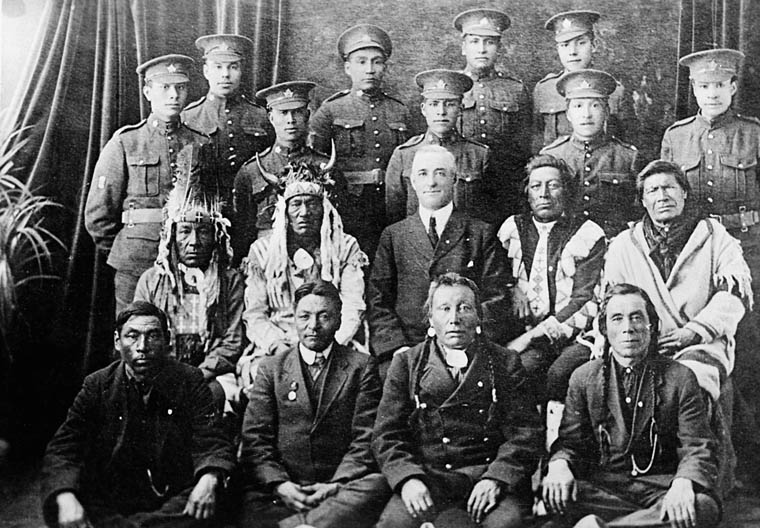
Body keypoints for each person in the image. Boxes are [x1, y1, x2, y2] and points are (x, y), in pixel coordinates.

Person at [603, 159, 752, 495]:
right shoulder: (625, 245)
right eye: (653, 190)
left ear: (684, 193)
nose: (662, 196)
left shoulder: (715, 236)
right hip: (643, 341)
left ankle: (702, 480)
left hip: (702, 341)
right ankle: (638, 474)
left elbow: (734, 295)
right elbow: (613, 301)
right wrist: (645, 339)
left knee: (691, 380)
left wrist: (695, 330)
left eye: (669, 187)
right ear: (642, 200)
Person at [660, 47, 760, 491]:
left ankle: (751, 467)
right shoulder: (677, 137)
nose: (712, 93)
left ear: (734, 87)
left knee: (749, 358)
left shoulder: (753, 135)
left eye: (720, 85)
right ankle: (712, 467)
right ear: (694, 90)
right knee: (705, 355)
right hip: (698, 256)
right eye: (703, 86)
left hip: (750, 251)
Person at [40, 302, 235, 528]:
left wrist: (209, 478)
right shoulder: (98, 384)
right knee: (67, 503)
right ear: (117, 341)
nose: (142, 346)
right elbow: (65, 447)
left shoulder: (190, 380)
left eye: (153, 336)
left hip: (172, 497)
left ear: (167, 340)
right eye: (132, 336)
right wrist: (65, 495)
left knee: (212, 495)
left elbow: (211, 439)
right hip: (114, 498)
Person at [540, 284, 721, 528]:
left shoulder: (681, 377)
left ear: (651, 326)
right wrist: (560, 464)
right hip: (604, 490)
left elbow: (697, 446)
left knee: (702, 507)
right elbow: (571, 443)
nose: (628, 328)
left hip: (661, 489)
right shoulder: (584, 377)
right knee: (556, 494)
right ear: (604, 328)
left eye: (637, 317)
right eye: (617, 319)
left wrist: (683, 482)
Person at [372, 272, 543, 528]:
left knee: (507, 525)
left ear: (478, 317)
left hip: (488, 478)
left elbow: (525, 433)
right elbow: (387, 435)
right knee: (392, 524)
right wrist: (408, 479)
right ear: (431, 317)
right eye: (444, 309)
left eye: (464, 308)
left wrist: (496, 479)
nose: (454, 319)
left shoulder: (505, 362)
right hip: (429, 479)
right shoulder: (406, 364)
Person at [239, 280, 389, 528]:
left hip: (338, 487)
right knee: (244, 496)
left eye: (324, 317)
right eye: (304, 316)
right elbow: (255, 439)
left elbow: (366, 436)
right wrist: (280, 485)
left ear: (339, 320)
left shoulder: (361, 367)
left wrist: (335, 485)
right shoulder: (271, 368)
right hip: (283, 490)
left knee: (376, 485)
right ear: (294, 319)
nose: (313, 326)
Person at [369, 145, 510, 376]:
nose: (431, 182)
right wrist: (397, 347)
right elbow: (378, 300)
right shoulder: (394, 236)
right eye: (423, 174)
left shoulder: (480, 233)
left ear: (454, 180)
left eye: (440, 173)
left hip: (467, 347)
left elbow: (497, 297)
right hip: (408, 347)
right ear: (413, 182)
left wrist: (465, 341)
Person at [85, 55, 209, 314]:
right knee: (136, 334)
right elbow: (98, 216)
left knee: (184, 337)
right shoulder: (126, 142)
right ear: (147, 92)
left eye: (180, 87)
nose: (173, 95)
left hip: (188, 261)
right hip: (137, 263)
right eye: (165, 87)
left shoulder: (201, 144)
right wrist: (129, 249)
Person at [238, 158, 367, 393]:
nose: (304, 212)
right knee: (262, 376)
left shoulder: (345, 247)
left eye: (312, 204)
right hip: (280, 342)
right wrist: (277, 346)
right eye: (296, 204)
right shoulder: (263, 252)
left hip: (333, 340)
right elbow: (255, 314)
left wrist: (331, 345)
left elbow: (352, 306)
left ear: (324, 208)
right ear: (284, 211)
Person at [498, 154, 605, 404]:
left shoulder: (587, 234)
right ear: (527, 193)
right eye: (536, 186)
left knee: (556, 375)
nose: (544, 193)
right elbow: (497, 275)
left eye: (553, 185)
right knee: (514, 371)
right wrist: (512, 286)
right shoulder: (512, 229)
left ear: (566, 191)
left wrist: (533, 336)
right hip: (521, 332)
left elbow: (585, 299)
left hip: (573, 335)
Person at [133, 184, 244, 415]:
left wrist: (197, 375)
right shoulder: (151, 281)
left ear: (216, 236)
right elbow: (142, 337)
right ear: (172, 235)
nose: (194, 241)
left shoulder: (229, 281)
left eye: (203, 231)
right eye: (185, 231)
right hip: (161, 371)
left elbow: (232, 341)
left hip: (212, 374)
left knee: (213, 399)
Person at [309, 24, 411, 259]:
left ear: (384, 67)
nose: (370, 69)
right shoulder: (330, 111)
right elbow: (313, 163)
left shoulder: (400, 111)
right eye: (361, 62)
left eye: (377, 62)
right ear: (348, 67)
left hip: (391, 205)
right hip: (348, 206)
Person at [234, 81, 340, 258]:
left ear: (307, 115)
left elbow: (338, 225)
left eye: (297, 112)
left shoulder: (326, 167)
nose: (291, 120)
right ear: (271, 117)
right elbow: (243, 231)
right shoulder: (251, 171)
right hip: (267, 260)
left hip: (320, 258)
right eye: (283, 113)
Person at [384, 70, 498, 225]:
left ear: (460, 109)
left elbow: (488, 216)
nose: (441, 112)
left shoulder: (479, 155)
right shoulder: (404, 155)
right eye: (434, 104)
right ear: (424, 109)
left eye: (450, 104)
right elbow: (394, 217)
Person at [540, 69, 640, 238]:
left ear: (607, 112)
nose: (586, 114)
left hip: (612, 247)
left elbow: (638, 214)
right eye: (578, 106)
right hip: (562, 247)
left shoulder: (628, 158)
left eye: (595, 105)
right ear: (568, 114)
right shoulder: (551, 156)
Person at [453, 8, 531, 218]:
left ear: (498, 48)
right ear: (463, 47)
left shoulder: (515, 89)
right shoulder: (452, 88)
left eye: (489, 42)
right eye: (475, 41)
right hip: (461, 186)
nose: (482, 49)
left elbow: (526, 145)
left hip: (505, 189)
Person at [182, 34, 273, 203]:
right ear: (206, 71)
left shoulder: (261, 117)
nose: (225, 74)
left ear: (241, 70)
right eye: (218, 67)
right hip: (205, 210)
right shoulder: (188, 117)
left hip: (251, 208)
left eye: (233, 67)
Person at [533, 10, 634, 150]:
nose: (572, 51)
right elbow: (535, 140)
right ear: (558, 49)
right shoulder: (545, 89)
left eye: (581, 43)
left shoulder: (615, 91)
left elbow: (627, 145)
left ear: (594, 46)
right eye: (565, 45)